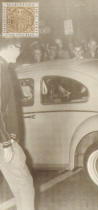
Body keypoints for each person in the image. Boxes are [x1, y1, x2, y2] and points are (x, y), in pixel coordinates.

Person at [0, 38, 35, 210]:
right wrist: (6, 142)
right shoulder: (1, 69)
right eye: (19, 47)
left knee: (18, 186)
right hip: (5, 141)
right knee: (25, 185)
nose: (20, 52)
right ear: (10, 47)